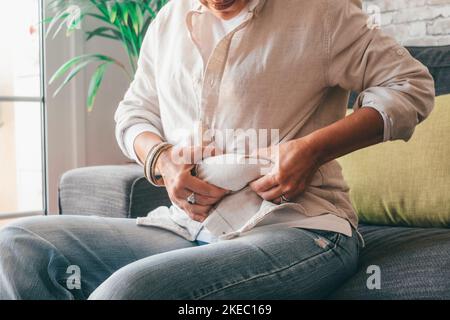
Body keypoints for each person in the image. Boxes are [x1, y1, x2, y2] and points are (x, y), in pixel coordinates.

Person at [0, 0, 434, 300]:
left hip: (300, 230)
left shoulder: (322, 12)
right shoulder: (168, 21)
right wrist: (162, 160)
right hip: (183, 229)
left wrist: (313, 149)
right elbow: (133, 113)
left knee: (131, 291)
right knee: (18, 245)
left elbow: (411, 85)